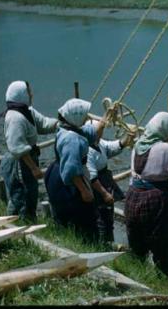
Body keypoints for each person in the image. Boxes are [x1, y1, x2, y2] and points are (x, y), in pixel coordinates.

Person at [44, 98, 111, 243]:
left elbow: (93, 132)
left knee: (65, 215)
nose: (87, 117)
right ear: (76, 116)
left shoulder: (68, 127)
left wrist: (106, 116)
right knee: (81, 215)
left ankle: (67, 239)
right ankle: (82, 245)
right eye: (85, 115)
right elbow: (71, 169)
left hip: (57, 171)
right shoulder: (71, 139)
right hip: (68, 180)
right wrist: (84, 190)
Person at [124, 111, 168, 277]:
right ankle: (162, 280)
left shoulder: (138, 144)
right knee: (161, 244)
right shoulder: (165, 148)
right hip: (156, 199)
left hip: (133, 195)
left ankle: (136, 276)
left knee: (136, 242)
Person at [0, 80, 58, 223]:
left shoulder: (27, 111)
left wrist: (62, 121)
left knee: (30, 194)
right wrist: (34, 168)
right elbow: (18, 147)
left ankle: (24, 224)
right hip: (20, 162)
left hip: (27, 158)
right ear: (21, 94)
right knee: (22, 195)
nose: (31, 95)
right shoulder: (15, 117)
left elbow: (44, 123)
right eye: (28, 92)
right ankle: (18, 226)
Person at [86, 120, 135, 245]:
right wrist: (104, 194)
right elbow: (92, 178)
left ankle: (109, 241)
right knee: (101, 216)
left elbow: (113, 147)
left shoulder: (99, 143)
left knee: (108, 214)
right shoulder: (87, 150)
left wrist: (127, 138)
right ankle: (102, 244)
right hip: (98, 186)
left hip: (104, 180)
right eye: (99, 131)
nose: (101, 133)